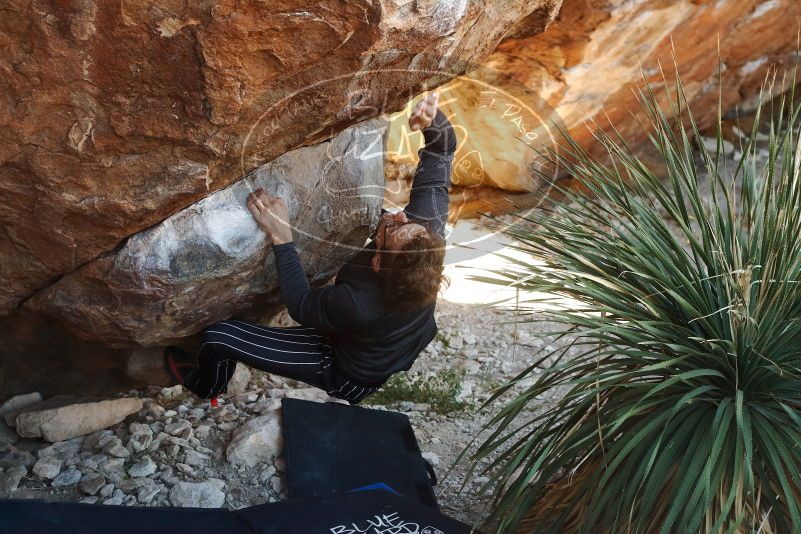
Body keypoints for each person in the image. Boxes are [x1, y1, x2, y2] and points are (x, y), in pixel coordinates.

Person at [165, 92, 456, 405]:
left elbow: (301, 305)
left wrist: (281, 237)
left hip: (346, 370)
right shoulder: (424, 236)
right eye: (407, 223)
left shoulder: (358, 304)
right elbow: (442, 152)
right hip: (365, 335)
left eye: (395, 229)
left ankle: (207, 387)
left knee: (217, 338)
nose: (399, 215)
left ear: (376, 265)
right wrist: (432, 121)